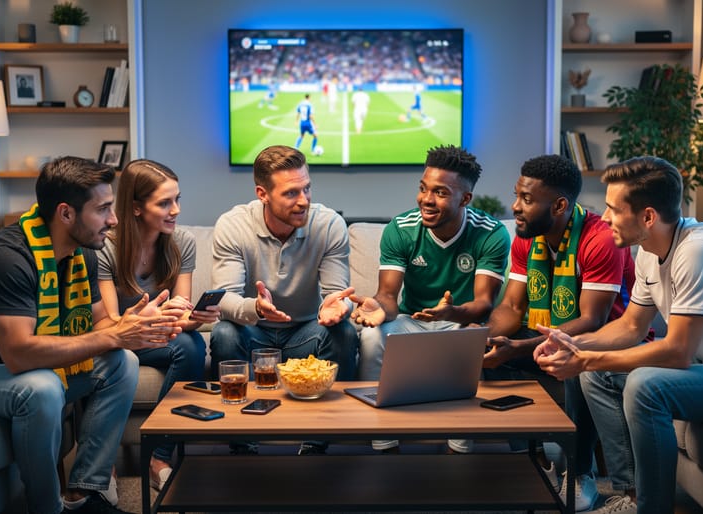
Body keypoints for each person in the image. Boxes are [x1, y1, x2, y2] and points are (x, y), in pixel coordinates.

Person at [533, 156, 703, 514]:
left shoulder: (699, 251)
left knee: (647, 386)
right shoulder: (649, 250)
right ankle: (630, 493)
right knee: (597, 375)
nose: (606, 218)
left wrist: (586, 359)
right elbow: (631, 326)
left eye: (615, 209)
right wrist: (572, 343)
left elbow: (678, 351)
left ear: (648, 216)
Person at [0, 156, 182, 514]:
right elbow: (20, 354)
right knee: (42, 387)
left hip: (12, 373)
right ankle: (47, 509)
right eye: (103, 209)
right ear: (66, 213)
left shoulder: (82, 254)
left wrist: (131, 324)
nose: (114, 219)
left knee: (123, 363)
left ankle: (87, 493)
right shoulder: (7, 258)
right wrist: (115, 336)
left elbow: (100, 325)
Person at [485, 154, 636, 511]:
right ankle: (533, 461)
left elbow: (592, 320)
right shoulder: (526, 238)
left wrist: (519, 348)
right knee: (488, 361)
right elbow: (512, 308)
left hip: (606, 343)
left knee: (575, 361)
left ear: (559, 205)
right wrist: (479, 340)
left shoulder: (600, 239)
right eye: (517, 195)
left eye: (526, 199)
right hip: (549, 335)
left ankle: (580, 474)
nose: (515, 207)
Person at [350, 144, 511, 453]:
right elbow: (388, 296)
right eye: (423, 188)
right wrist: (379, 308)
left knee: (472, 336)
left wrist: (450, 312)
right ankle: (382, 441)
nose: (426, 199)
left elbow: (483, 303)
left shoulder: (491, 233)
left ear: (465, 198)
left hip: (459, 323)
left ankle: (458, 449)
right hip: (411, 321)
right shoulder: (401, 229)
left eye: (440, 192)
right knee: (371, 336)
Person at [210, 144, 360, 455]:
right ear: (262, 193)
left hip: (307, 332)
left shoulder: (329, 224)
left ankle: (317, 442)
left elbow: (338, 294)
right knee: (223, 333)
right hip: (254, 332)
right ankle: (242, 444)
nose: (303, 200)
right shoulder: (233, 225)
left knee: (344, 333)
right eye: (291, 193)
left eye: (307, 189)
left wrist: (337, 307)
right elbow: (223, 298)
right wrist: (255, 307)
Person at [96, 159, 218, 492]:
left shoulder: (182, 242)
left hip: (160, 337)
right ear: (136, 207)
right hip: (120, 339)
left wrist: (196, 318)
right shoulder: (105, 248)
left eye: (177, 199)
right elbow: (107, 324)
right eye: (164, 203)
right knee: (116, 356)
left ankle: (158, 457)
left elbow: (181, 318)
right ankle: (103, 464)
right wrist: (146, 318)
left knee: (192, 345)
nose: (176, 210)